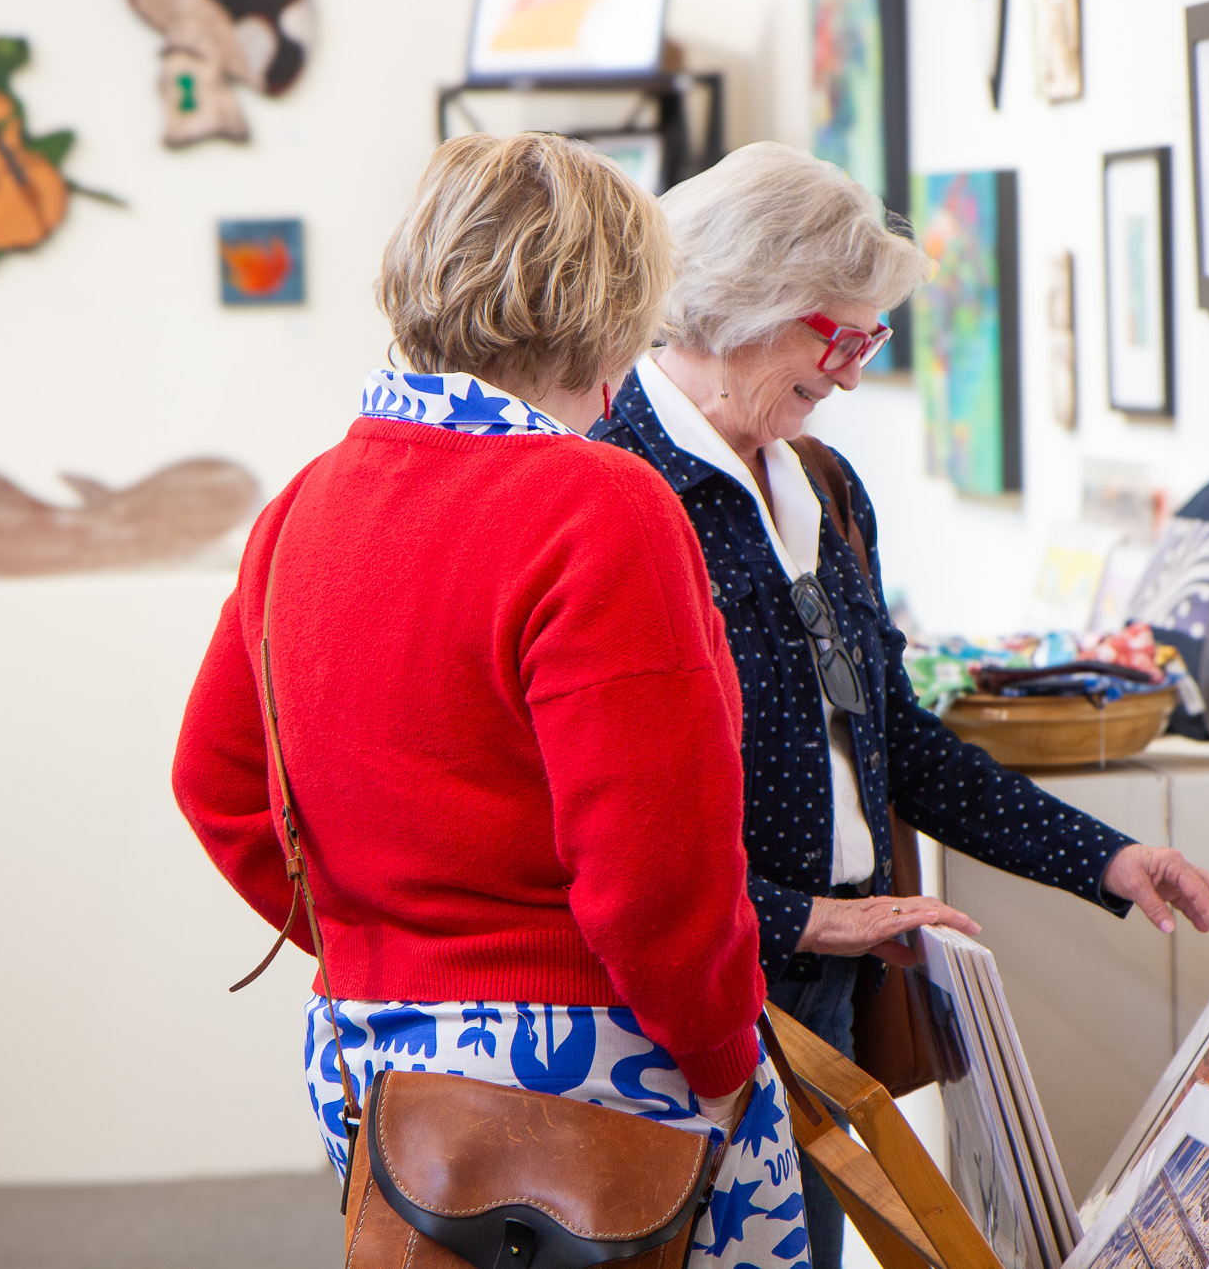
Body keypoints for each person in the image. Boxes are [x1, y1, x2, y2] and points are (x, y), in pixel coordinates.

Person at [592, 141, 1209, 1269]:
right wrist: (801, 917)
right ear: (742, 303)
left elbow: (893, 738)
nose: (848, 375)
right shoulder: (613, 491)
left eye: (868, 341)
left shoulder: (820, 485)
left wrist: (1103, 858)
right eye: (836, 337)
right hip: (686, 993)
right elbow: (593, 815)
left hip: (829, 987)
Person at [172, 132, 807, 1266]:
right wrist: (720, 1055)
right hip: (595, 1068)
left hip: (376, 1061)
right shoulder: (598, 503)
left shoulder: (305, 504)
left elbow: (215, 782)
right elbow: (655, 869)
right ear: (610, 312)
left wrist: (379, 946)